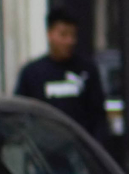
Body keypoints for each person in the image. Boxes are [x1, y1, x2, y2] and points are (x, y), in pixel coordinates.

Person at [15, 8, 112, 147]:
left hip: (79, 151)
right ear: (49, 34)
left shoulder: (86, 70)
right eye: (63, 35)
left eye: (73, 35)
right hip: (43, 152)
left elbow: (98, 116)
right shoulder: (32, 73)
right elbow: (21, 114)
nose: (69, 41)